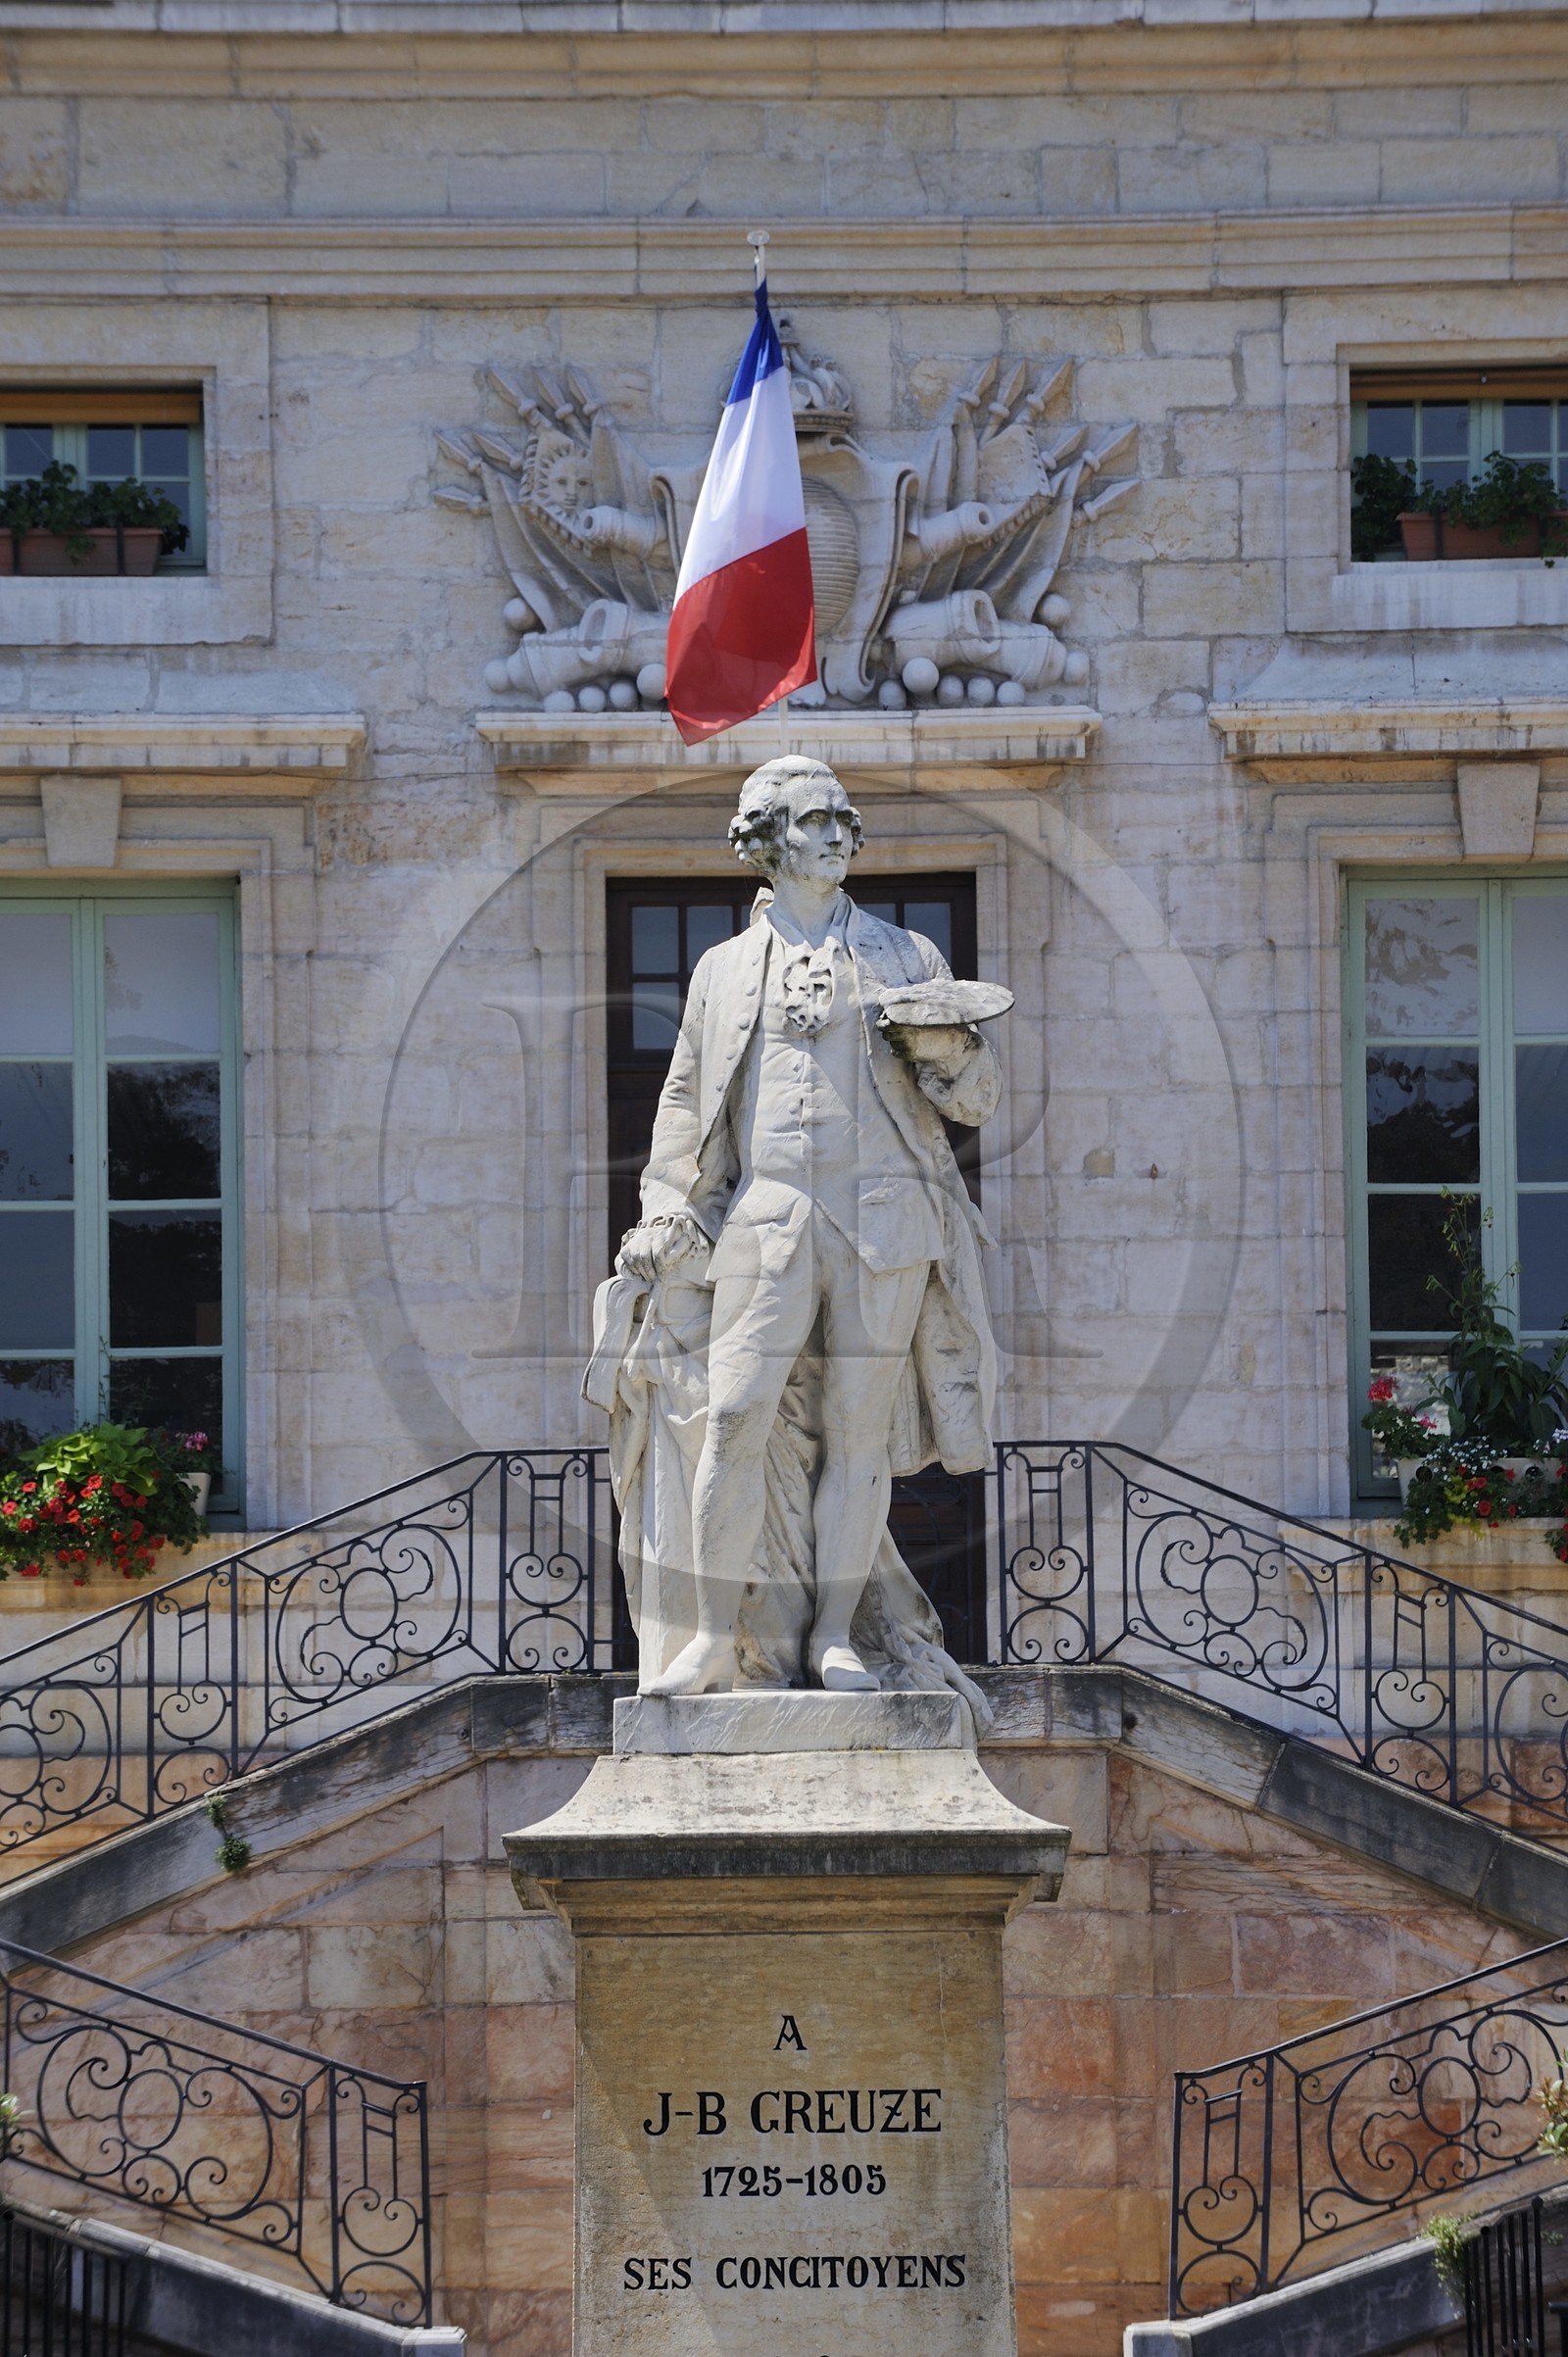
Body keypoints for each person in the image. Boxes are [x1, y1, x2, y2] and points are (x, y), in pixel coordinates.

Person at [597, 754, 1003, 1698]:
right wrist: (666, 1209)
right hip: (766, 1217)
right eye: (816, 819)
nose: (838, 835)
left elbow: (978, 1098)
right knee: (733, 1419)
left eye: (844, 820)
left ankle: (833, 1637)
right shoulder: (724, 968)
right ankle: (712, 1636)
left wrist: (944, 1050)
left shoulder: (906, 955)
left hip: (884, 1224)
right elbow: (684, 1103)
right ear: (766, 840)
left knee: (858, 1437)